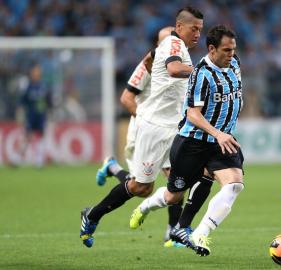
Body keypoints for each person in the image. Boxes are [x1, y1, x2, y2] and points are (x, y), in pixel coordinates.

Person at [79, 6, 207, 248]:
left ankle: (174, 230)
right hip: (155, 128)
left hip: (175, 128)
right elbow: (173, 69)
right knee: (142, 187)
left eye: (201, 29)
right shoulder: (173, 44)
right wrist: (204, 69)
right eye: (194, 28)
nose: (198, 34)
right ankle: (92, 215)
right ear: (179, 27)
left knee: (177, 187)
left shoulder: (179, 49)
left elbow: (156, 62)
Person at [129, 25, 244, 257]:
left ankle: (200, 233)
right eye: (226, 50)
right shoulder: (201, 73)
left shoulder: (234, 63)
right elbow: (193, 114)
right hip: (192, 143)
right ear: (212, 49)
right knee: (174, 195)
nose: (231, 54)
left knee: (234, 184)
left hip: (221, 142)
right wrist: (218, 132)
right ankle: (145, 206)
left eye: (233, 49)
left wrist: (225, 129)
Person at [17, 63, 52, 167]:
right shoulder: (28, 86)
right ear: (31, 73)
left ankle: (39, 161)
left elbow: (49, 101)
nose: (36, 73)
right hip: (30, 115)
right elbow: (22, 101)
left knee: (41, 136)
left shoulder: (44, 86)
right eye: (34, 71)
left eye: (37, 71)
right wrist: (20, 113)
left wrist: (50, 111)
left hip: (41, 116)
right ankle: (18, 158)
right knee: (27, 136)